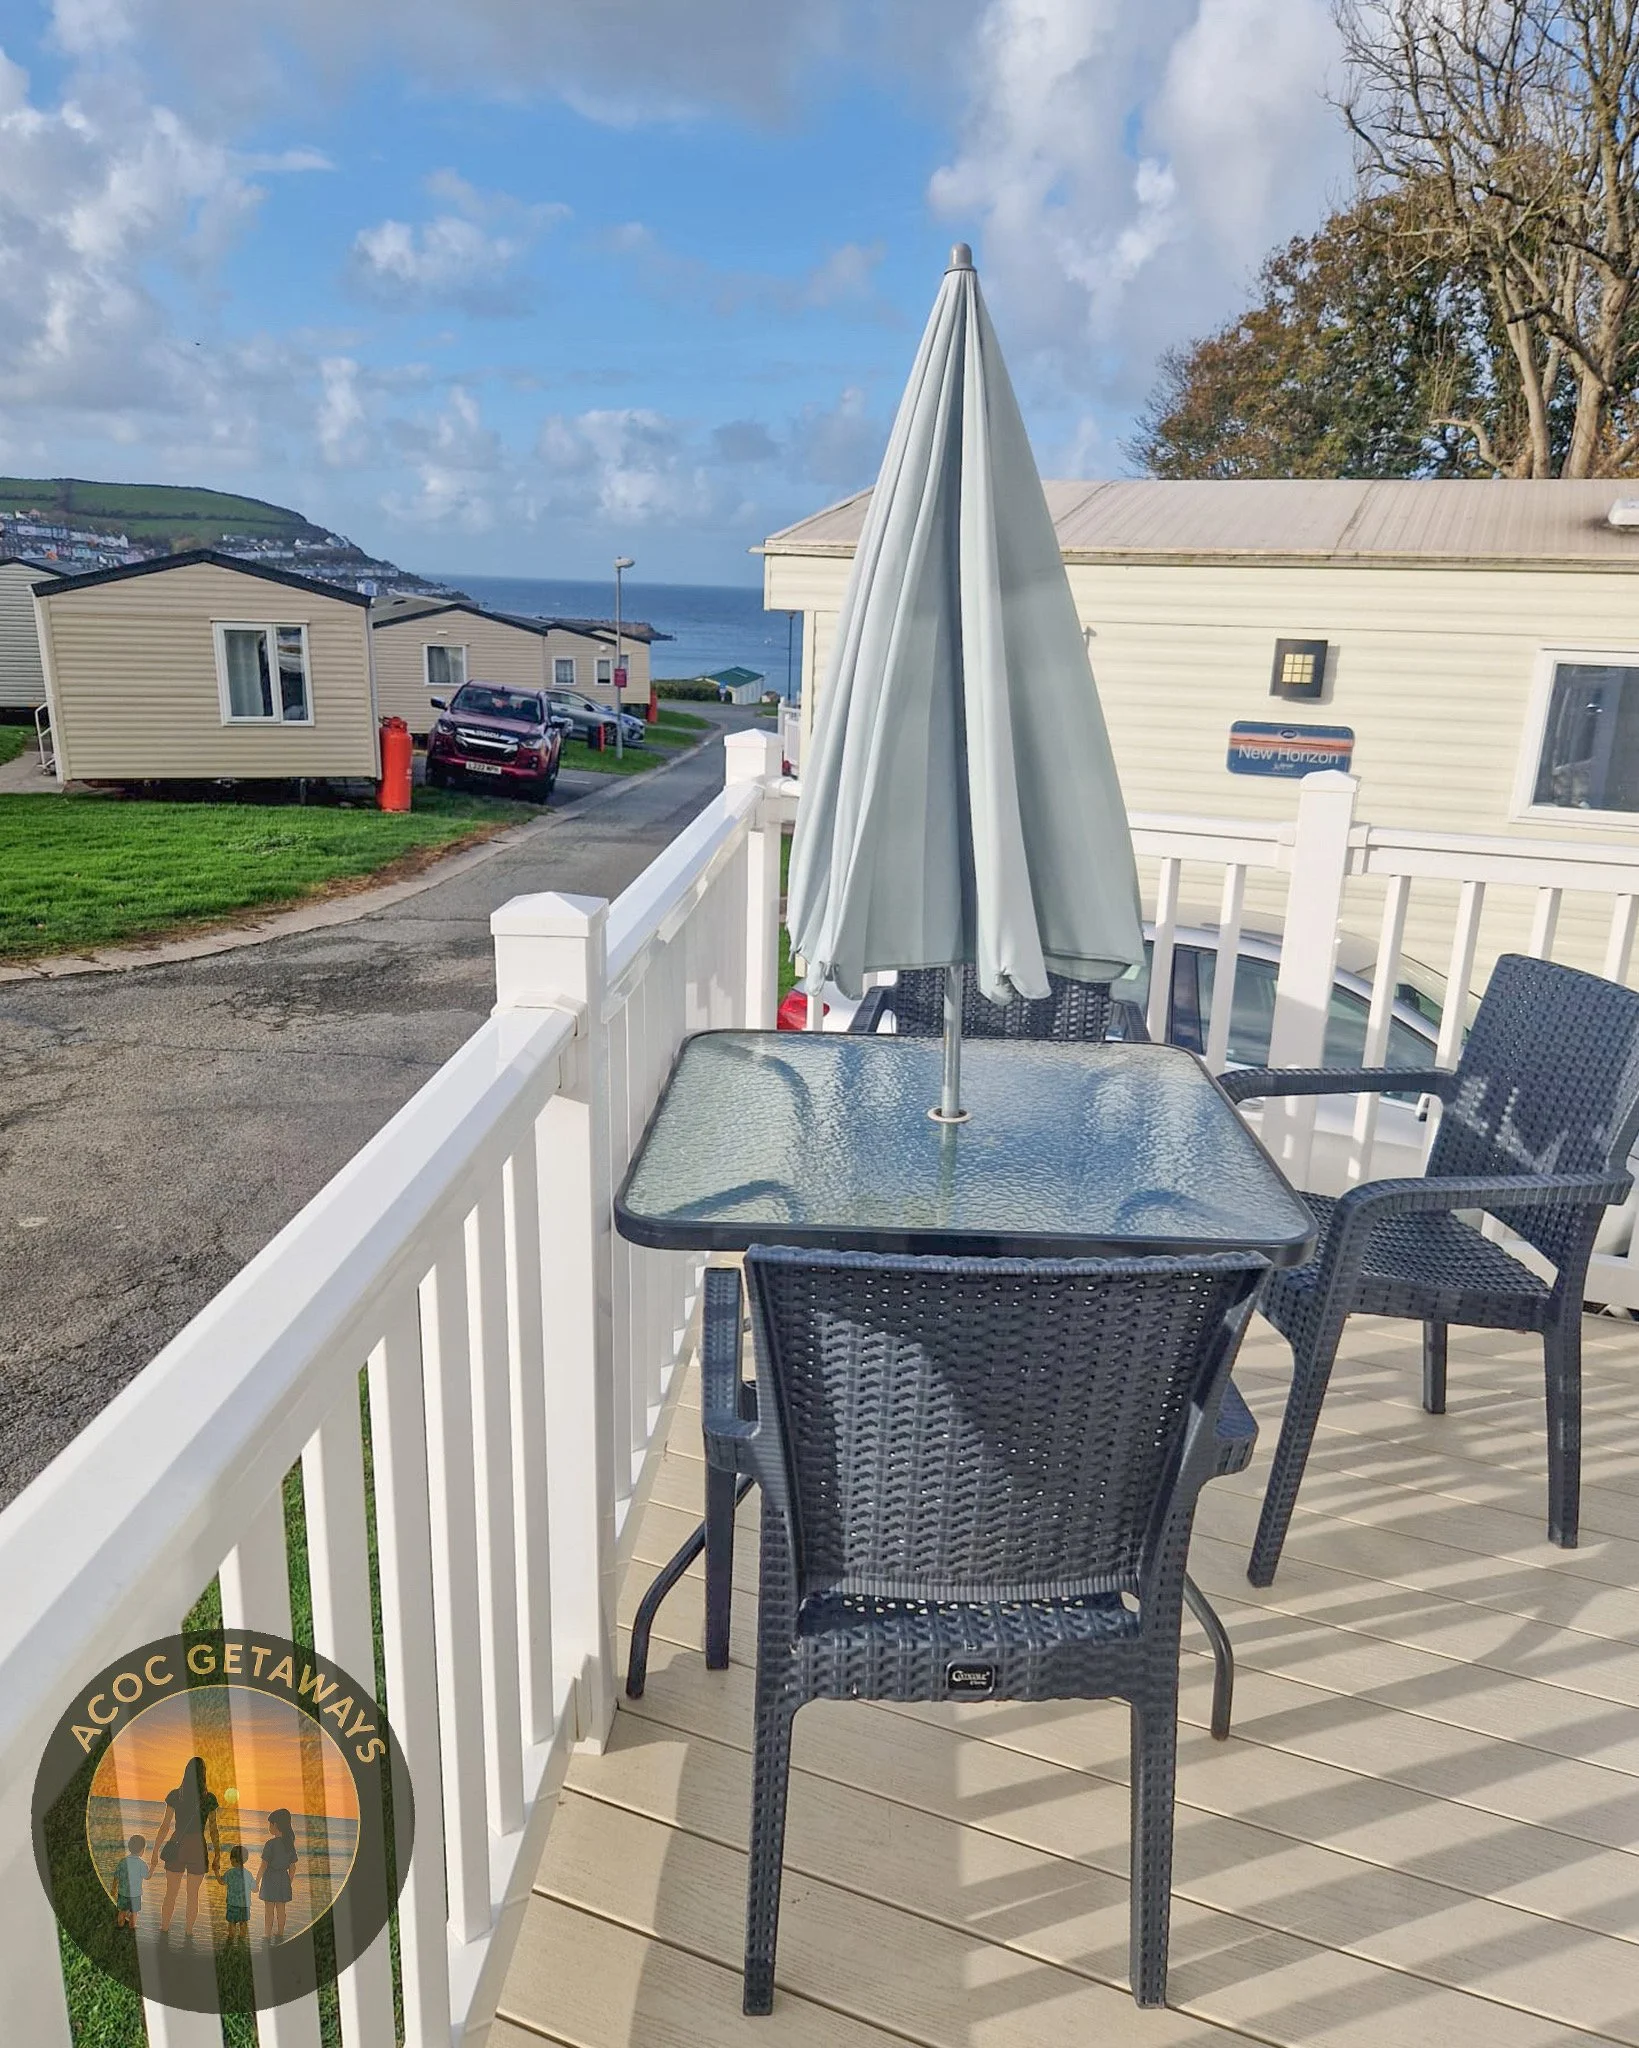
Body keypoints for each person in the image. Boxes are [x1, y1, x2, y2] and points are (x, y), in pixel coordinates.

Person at [148, 1756, 221, 1939]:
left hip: (177, 1844)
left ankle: (164, 1930)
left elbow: (165, 1825)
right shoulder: (209, 1799)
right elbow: (213, 1829)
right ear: (204, 1774)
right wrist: (217, 1855)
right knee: (193, 1895)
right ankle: (188, 1933)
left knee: (170, 1893)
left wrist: (155, 1850)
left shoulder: (176, 1795)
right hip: (197, 1847)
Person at [257, 1809, 298, 1943]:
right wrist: (288, 1882)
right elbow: (293, 1867)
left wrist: (256, 1881)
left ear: (275, 1825)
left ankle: (267, 1934)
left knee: (269, 1909)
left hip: (270, 1878)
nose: (269, 1827)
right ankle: (280, 1933)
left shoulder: (270, 1844)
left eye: (270, 1824)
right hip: (283, 1879)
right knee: (281, 1909)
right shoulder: (289, 1844)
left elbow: (263, 1865)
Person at [217, 1845, 252, 1944]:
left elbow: (221, 1882)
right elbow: (254, 1888)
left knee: (232, 1923)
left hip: (232, 1904)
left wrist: (216, 1871)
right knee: (243, 1922)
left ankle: (231, 1938)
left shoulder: (230, 1873)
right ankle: (242, 1939)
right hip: (245, 1905)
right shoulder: (248, 1874)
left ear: (233, 1859)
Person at [114, 1834, 147, 1930]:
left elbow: (116, 1876)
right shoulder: (142, 1864)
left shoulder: (123, 1862)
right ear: (142, 1851)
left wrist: (113, 1888)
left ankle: (120, 1925)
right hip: (135, 1894)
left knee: (122, 1910)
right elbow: (147, 1876)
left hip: (123, 1892)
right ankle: (132, 1926)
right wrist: (152, 1867)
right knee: (134, 1912)